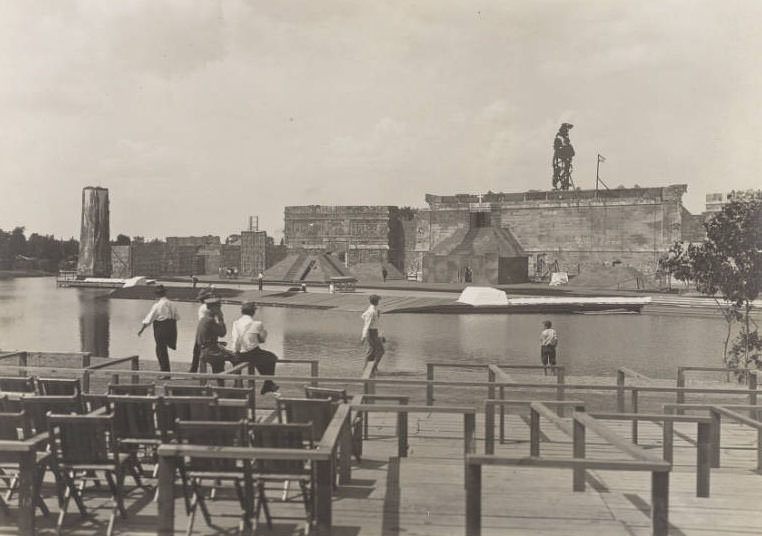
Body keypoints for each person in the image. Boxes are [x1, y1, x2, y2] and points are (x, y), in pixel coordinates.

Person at [232, 302, 280, 395]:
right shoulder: (257, 324)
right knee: (271, 357)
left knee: (260, 358)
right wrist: (265, 334)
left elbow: (236, 339)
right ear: (253, 312)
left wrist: (236, 351)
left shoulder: (236, 323)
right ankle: (268, 383)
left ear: (242, 312)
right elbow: (262, 340)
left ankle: (268, 384)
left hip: (239, 354)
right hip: (252, 353)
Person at [137, 285, 179, 373]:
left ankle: (165, 372)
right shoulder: (172, 304)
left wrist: (142, 329)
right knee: (163, 349)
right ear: (165, 293)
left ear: (157, 295)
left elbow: (149, 319)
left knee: (160, 350)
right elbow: (177, 317)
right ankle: (165, 370)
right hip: (171, 327)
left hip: (161, 327)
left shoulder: (157, 305)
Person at [195, 297, 236, 379]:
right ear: (213, 308)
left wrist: (218, 343)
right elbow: (222, 333)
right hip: (211, 352)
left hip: (204, 350)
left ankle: (223, 386)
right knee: (237, 358)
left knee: (221, 361)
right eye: (219, 308)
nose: (220, 310)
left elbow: (206, 338)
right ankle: (237, 384)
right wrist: (221, 319)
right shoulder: (210, 320)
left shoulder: (204, 319)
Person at [189, 289, 213, 373]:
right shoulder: (210, 307)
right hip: (208, 329)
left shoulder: (203, 307)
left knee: (197, 351)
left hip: (202, 329)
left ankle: (193, 369)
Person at [361, 294, 385, 364]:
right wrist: (363, 336)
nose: (379, 302)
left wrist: (381, 336)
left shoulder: (374, 310)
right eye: (378, 300)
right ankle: (371, 368)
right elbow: (367, 324)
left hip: (374, 332)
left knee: (373, 350)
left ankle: (371, 369)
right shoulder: (372, 311)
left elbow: (363, 316)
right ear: (376, 301)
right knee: (379, 351)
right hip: (371, 332)